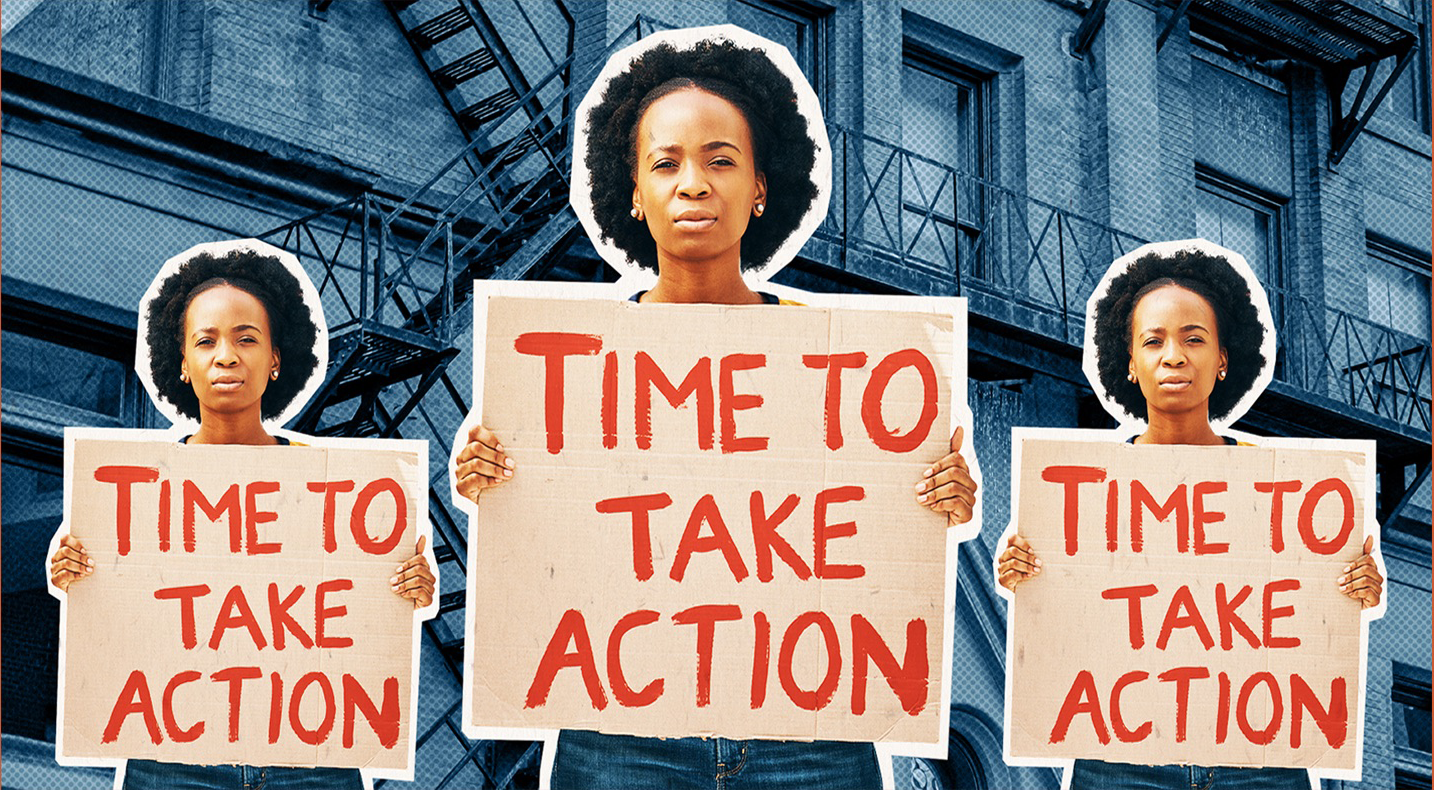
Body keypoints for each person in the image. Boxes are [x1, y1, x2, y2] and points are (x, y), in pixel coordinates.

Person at [453, 32, 979, 789]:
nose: (693, 184)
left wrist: (938, 498)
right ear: (634, 192)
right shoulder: (564, 373)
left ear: (761, 186)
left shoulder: (849, 364)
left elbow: (874, 554)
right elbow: (553, 560)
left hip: (811, 739)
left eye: (720, 160)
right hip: (620, 736)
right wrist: (493, 485)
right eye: (665, 163)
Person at [996, 244, 1383, 790]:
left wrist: (1353, 586)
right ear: (1129, 363)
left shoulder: (1286, 490)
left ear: (1224, 358)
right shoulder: (1080, 496)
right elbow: (1064, 637)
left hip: (1260, 763)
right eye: (1153, 341)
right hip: (1119, 762)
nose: (1173, 356)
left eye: (1193, 339)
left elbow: (1306, 622)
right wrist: (1025, 574)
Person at [49, 245, 436, 790]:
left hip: (312, 763)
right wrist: (75, 573)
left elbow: (358, 624)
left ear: (276, 358)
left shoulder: (338, 488)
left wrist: (409, 587)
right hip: (171, 762)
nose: (226, 356)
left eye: (246, 339)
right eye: (205, 341)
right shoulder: (134, 495)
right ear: (181, 363)